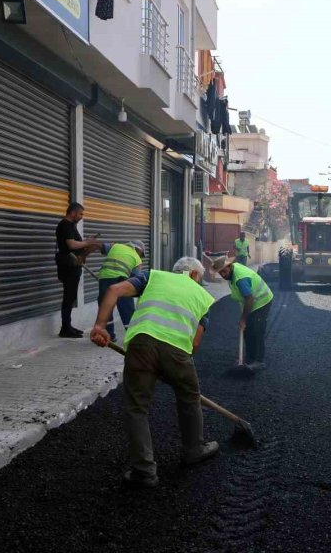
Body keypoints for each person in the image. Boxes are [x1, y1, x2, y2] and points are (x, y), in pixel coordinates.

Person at [90, 257, 218, 488]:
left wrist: (100, 326)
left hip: (140, 344)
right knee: (189, 398)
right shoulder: (203, 296)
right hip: (177, 351)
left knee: (137, 407)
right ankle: (194, 450)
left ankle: (144, 471)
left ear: (175, 271)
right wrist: (173, 369)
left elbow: (113, 289)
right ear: (195, 275)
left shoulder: (153, 277)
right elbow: (195, 343)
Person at [214, 256, 275, 370]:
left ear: (230, 266)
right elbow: (244, 299)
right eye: (220, 272)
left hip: (262, 301)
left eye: (224, 271)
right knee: (247, 330)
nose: (223, 274)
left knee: (257, 329)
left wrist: (243, 319)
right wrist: (245, 319)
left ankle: (259, 361)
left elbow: (249, 299)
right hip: (251, 302)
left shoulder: (240, 279)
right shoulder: (232, 274)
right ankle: (248, 359)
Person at [54, 202, 101, 338]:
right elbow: (71, 244)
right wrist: (87, 243)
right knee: (68, 297)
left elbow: (76, 244)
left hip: (73, 266)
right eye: (80, 214)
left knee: (71, 297)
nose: (81, 216)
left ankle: (67, 326)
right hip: (68, 267)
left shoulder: (70, 226)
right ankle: (65, 329)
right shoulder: (65, 225)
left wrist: (88, 242)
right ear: (73, 212)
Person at [98, 241, 146, 342]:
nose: (141, 256)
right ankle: (133, 336)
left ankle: (109, 335)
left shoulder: (116, 246)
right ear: (139, 250)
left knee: (106, 306)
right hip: (122, 279)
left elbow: (98, 245)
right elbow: (136, 280)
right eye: (142, 254)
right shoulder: (137, 259)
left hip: (105, 276)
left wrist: (82, 255)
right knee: (126, 308)